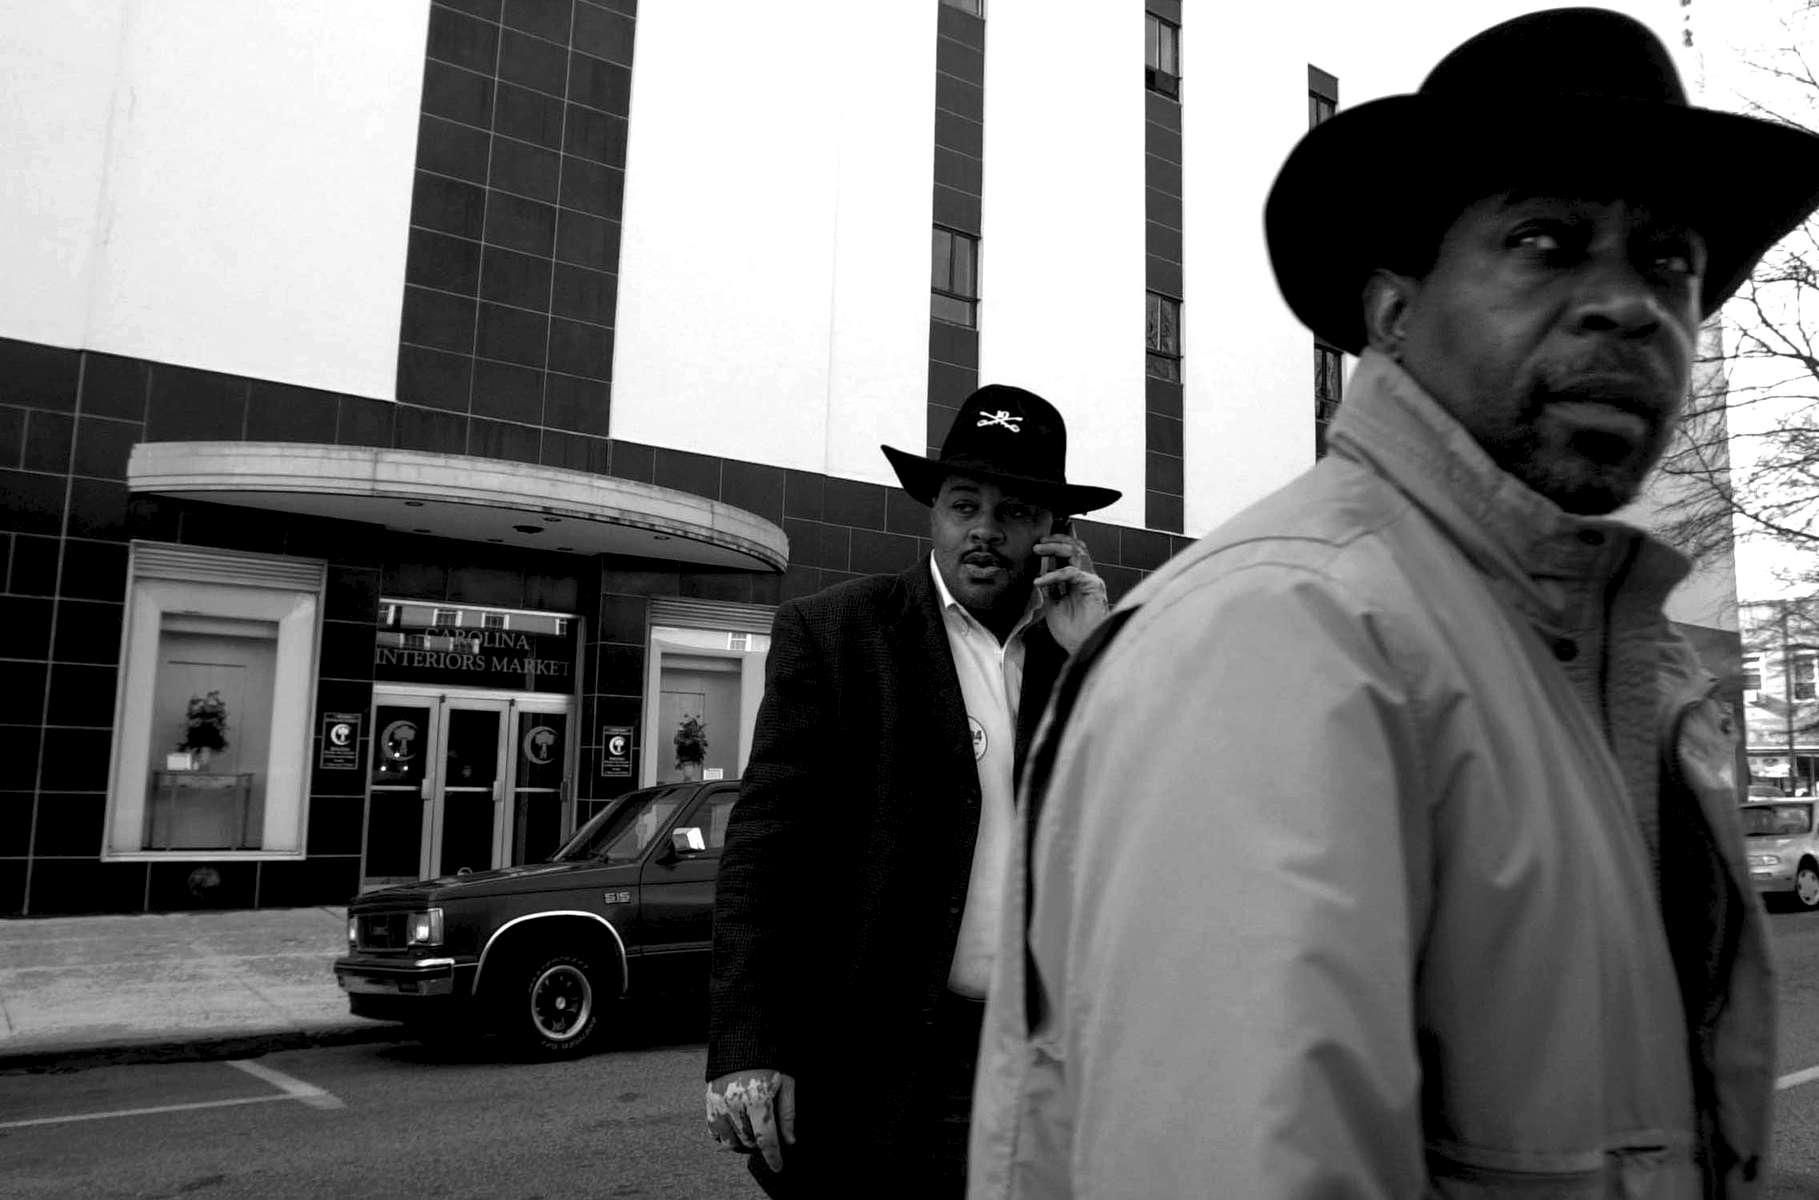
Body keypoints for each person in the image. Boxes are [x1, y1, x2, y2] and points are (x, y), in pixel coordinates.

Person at [968, 9, 1819, 1198]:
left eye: (1668, 260)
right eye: (1546, 239)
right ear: (1392, 312)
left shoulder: (1581, 650)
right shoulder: (1284, 636)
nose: (1632, 305)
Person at [705, 384, 1122, 1197]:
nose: (985, 530)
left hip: (1050, 1066)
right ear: (932, 512)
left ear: (1052, 533)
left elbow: (1153, 824)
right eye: (964, 504)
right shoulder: (836, 636)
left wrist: (1098, 652)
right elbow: (766, 849)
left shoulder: (1086, 655)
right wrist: (749, 1044)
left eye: (1015, 512)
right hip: (882, 1068)